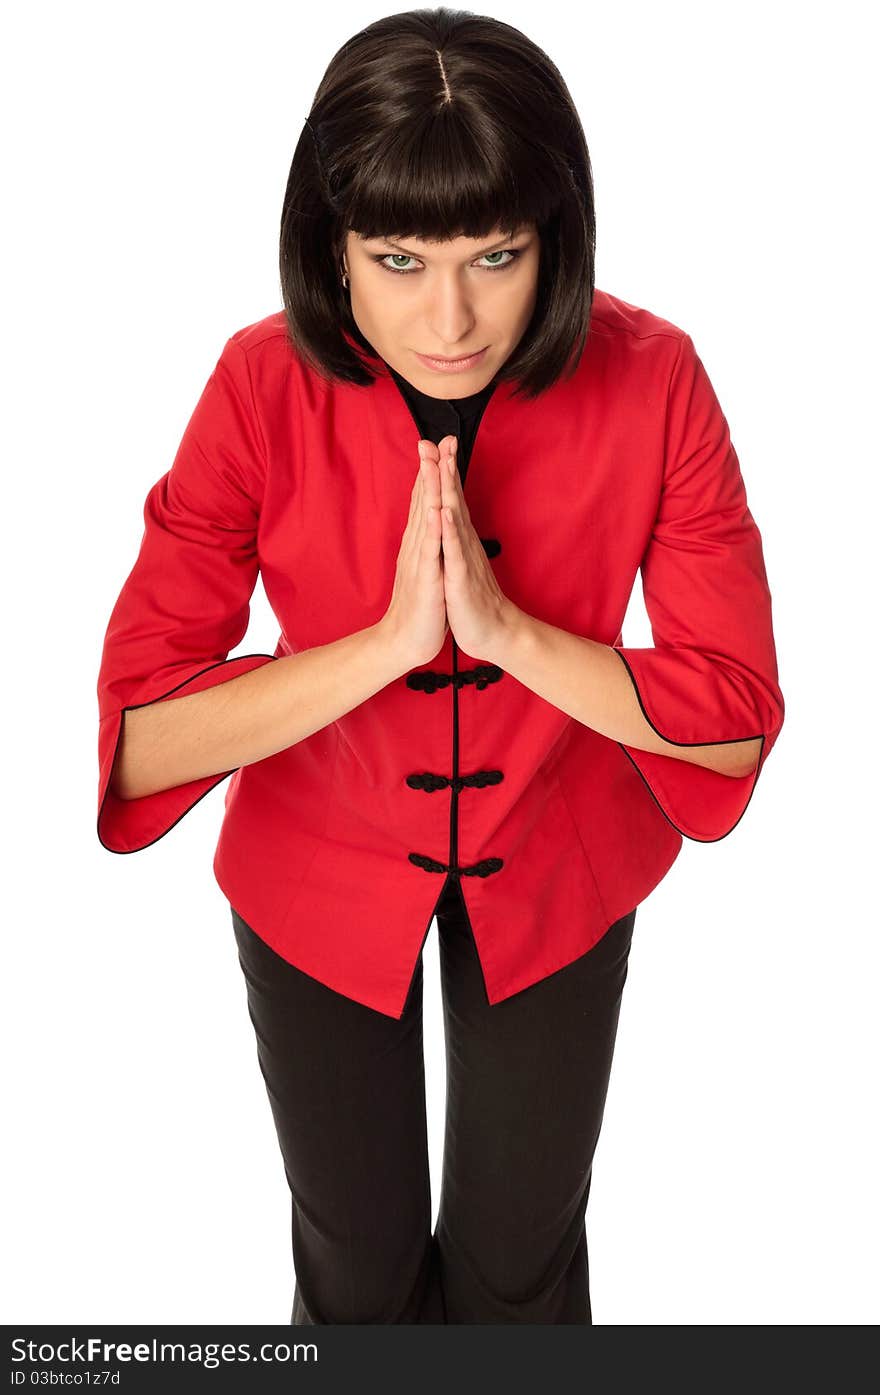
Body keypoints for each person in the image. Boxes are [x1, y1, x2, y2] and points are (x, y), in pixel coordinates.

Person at [95, 7, 785, 1324]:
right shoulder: (255, 384)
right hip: (316, 861)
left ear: (556, 242)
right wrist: (387, 649)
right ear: (329, 248)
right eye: (398, 257)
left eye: (498, 255)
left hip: (562, 854)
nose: (450, 318)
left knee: (518, 1265)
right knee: (352, 1264)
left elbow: (731, 724)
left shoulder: (656, 379)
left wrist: (514, 638)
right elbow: (135, 738)